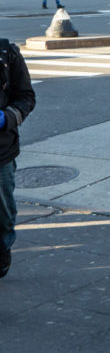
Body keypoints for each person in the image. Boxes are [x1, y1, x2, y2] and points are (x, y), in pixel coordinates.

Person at [0, 39, 36, 279]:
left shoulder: (6, 53)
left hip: (1, 151)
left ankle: (2, 250)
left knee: (2, 211)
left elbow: (26, 97)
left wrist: (6, 118)